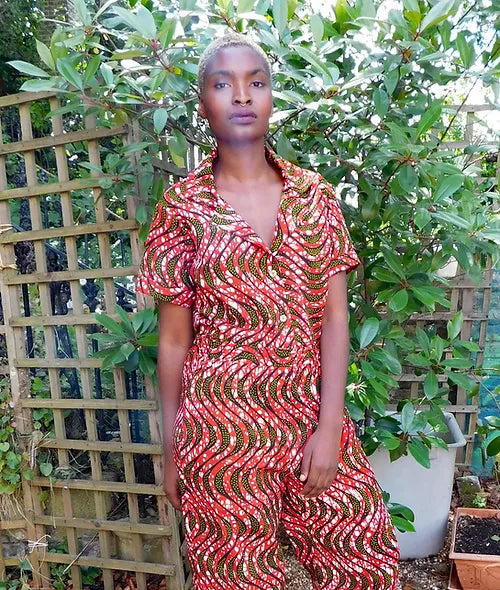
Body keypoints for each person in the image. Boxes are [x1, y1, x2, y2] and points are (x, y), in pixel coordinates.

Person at [136, 31, 399, 590]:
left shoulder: (313, 196)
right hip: (219, 431)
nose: (241, 95)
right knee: (236, 578)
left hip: (308, 414)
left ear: (271, 97)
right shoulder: (182, 208)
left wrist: (331, 425)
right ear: (203, 102)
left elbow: (334, 318)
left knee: (364, 561)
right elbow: (174, 341)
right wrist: (172, 448)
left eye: (255, 82)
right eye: (222, 84)